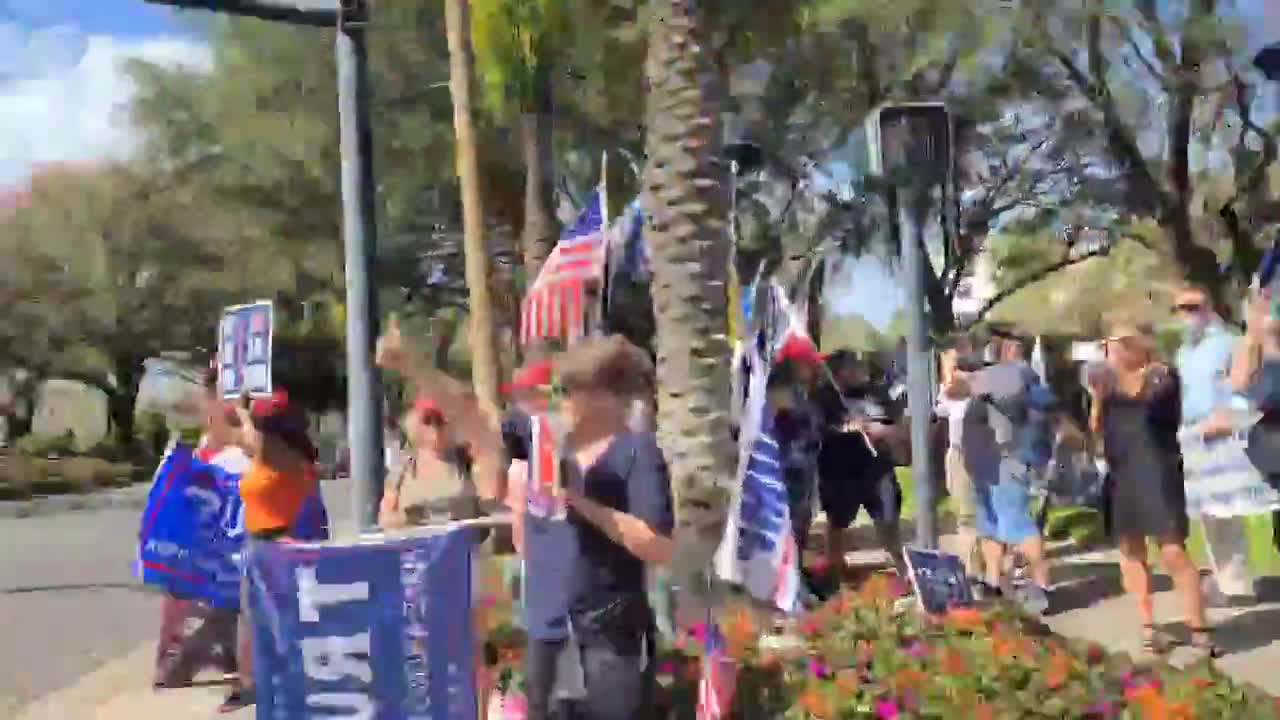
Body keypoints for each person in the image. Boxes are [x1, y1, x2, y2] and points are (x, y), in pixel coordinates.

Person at [496, 335, 674, 720]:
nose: (560, 401)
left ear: (605, 396)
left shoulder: (636, 452)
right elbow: (480, 440)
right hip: (549, 636)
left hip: (609, 638)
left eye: (569, 390)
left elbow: (658, 547)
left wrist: (579, 502)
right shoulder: (544, 445)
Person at [1088, 321, 1215, 657]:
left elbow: (1144, 401)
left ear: (1136, 346)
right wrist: (1097, 398)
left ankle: (1198, 628)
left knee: (1172, 549)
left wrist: (1113, 375)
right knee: (1130, 549)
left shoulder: (1161, 375)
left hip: (1157, 470)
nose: (1109, 353)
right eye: (1107, 347)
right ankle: (1149, 626)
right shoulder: (1108, 382)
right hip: (1122, 471)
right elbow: (1096, 427)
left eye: (1115, 345)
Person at [219, 388, 322, 713]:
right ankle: (264, 689)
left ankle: (281, 693)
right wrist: (244, 410)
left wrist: (238, 410)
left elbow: (241, 436)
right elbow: (248, 437)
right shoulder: (284, 454)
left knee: (275, 627)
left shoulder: (283, 457)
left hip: (274, 546)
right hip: (261, 546)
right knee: (260, 625)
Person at [1174, 283, 1257, 605]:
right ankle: (1224, 579)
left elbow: (1243, 384)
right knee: (1207, 513)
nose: (1187, 315)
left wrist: (1228, 416)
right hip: (1192, 433)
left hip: (1223, 431)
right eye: (1182, 309)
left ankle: (1237, 584)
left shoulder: (1228, 342)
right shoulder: (1184, 351)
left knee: (1229, 509)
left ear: (1208, 308)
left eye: (1193, 308)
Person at [963, 333, 1054, 612]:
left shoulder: (1014, 374)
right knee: (989, 526)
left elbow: (965, 386)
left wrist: (966, 376)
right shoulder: (1006, 374)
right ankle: (993, 581)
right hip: (985, 465)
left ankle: (1040, 587)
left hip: (1004, 462)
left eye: (998, 341)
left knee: (1018, 525)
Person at [816, 350, 905, 580]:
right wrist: (847, 428)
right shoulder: (826, 398)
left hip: (878, 468)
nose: (859, 369)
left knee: (888, 520)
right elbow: (821, 429)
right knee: (838, 522)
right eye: (852, 366)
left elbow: (893, 424)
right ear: (838, 373)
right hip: (841, 470)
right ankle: (834, 575)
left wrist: (888, 432)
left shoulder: (876, 394)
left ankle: (905, 571)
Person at [767, 336, 825, 580]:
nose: (812, 368)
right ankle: (786, 581)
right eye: (807, 363)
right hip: (789, 467)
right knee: (789, 526)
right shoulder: (779, 392)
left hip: (805, 467)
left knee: (801, 524)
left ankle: (796, 576)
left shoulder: (802, 392)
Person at [935, 340, 983, 581]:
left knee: (971, 515)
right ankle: (975, 565)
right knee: (965, 513)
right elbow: (940, 406)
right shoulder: (951, 393)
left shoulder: (974, 387)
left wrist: (950, 368)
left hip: (975, 454)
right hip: (957, 454)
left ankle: (977, 569)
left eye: (955, 365)